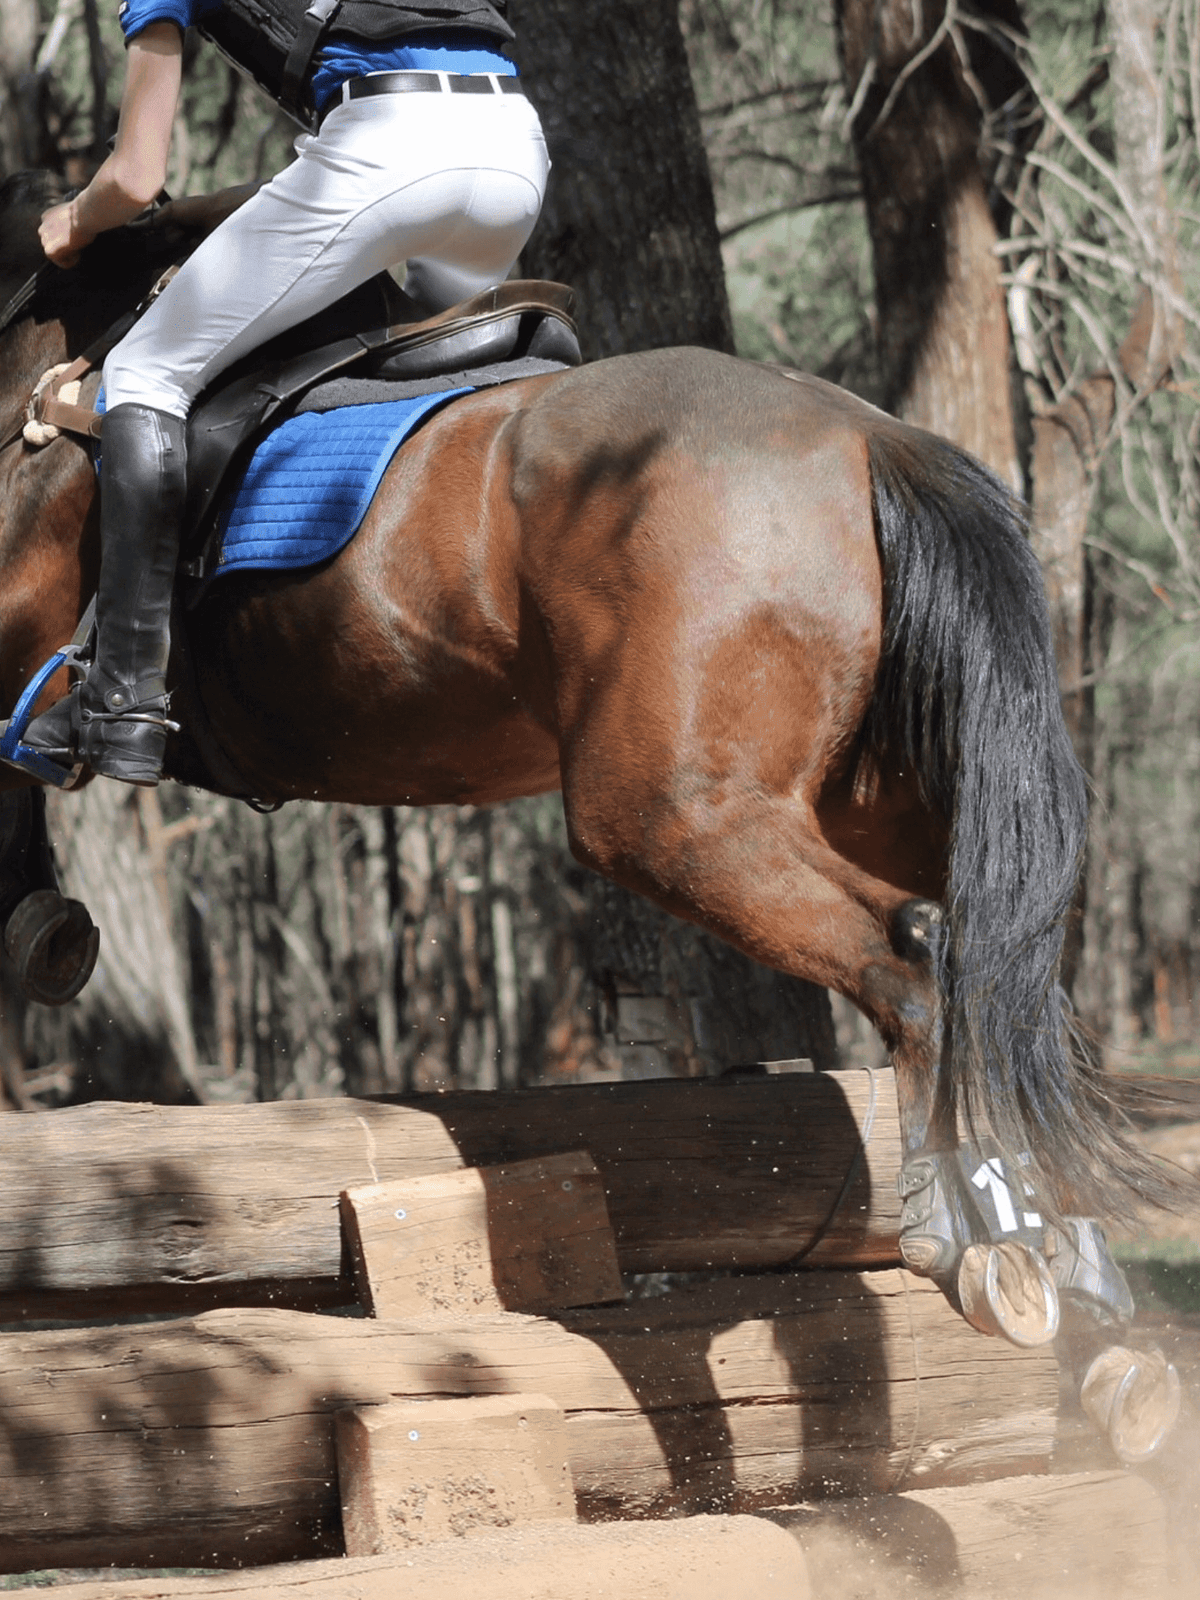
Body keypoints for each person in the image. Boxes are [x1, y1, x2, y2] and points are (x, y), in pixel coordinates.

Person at [25, 0, 549, 788]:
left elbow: (134, 178)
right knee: (365, 373)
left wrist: (73, 218)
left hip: (388, 149)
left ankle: (123, 697)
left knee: (148, 372)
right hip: (512, 151)